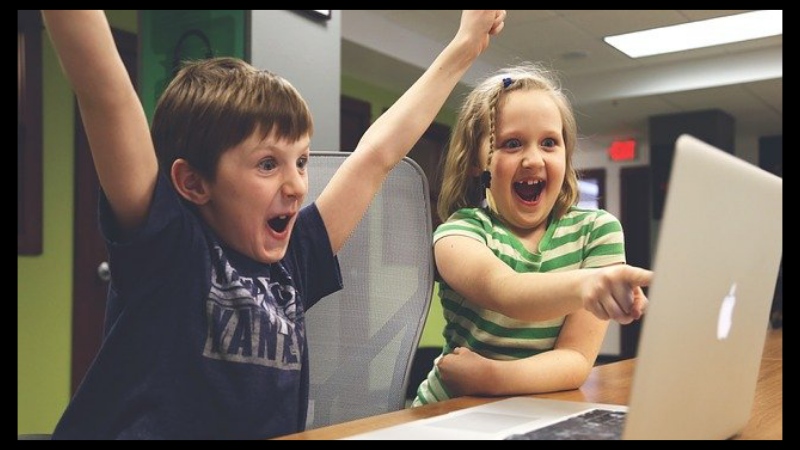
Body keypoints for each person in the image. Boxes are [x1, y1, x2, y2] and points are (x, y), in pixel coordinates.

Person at [41, 9, 507, 440]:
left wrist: (465, 45)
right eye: (268, 165)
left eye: (300, 161)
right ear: (192, 182)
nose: (297, 186)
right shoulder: (169, 246)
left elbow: (376, 157)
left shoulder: (294, 260)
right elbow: (105, 94)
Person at [412, 63, 652, 406]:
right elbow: (506, 291)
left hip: (529, 408)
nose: (533, 159)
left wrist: (490, 378)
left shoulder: (598, 231)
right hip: (449, 411)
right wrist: (588, 284)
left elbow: (576, 360)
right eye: (512, 143)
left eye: (549, 143)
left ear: (566, 154)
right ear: (476, 161)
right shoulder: (458, 234)